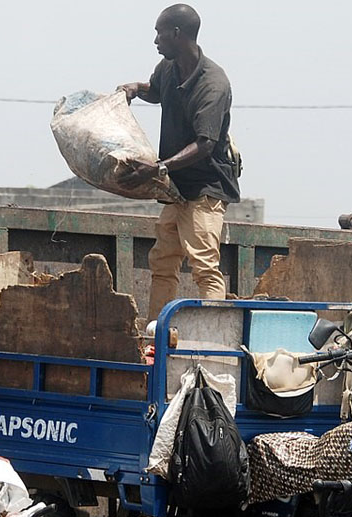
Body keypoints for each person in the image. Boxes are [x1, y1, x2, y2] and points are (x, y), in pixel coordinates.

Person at [118, 4, 240, 320]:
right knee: (162, 261)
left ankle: (215, 340)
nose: (155, 41)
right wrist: (135, 88)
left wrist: (158, 168)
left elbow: (205, 144)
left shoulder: (213, 83)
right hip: (177, 187)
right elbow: (156, 92)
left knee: (203, 265)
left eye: (159, 33)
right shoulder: (168, 68)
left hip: (205, 189)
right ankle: (156, 333)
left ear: (176, 33)